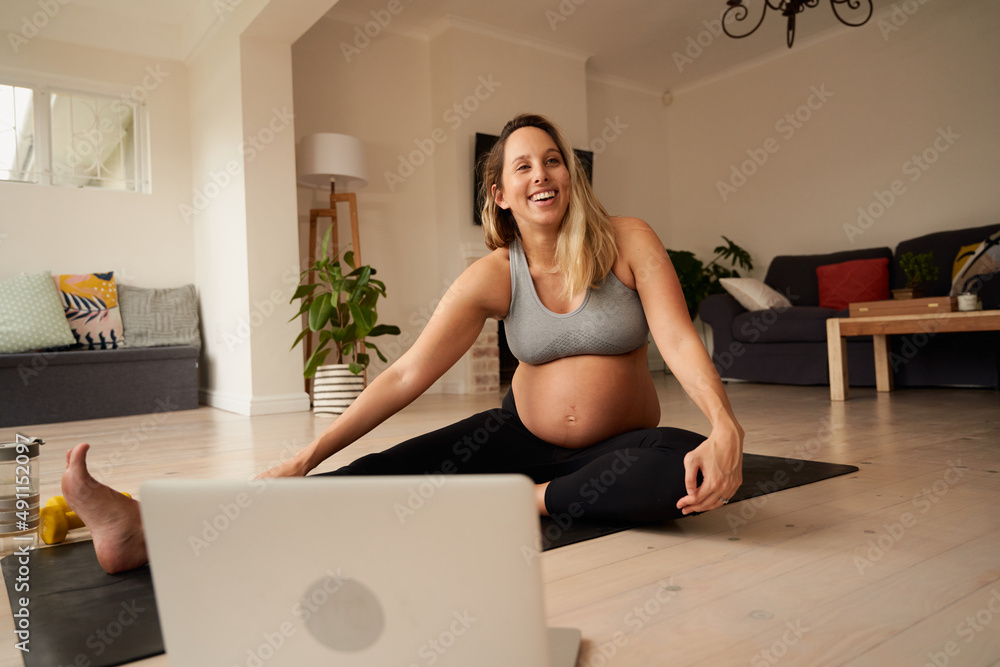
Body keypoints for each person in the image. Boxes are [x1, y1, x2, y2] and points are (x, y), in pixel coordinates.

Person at [61, 113, 744, 574]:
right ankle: (152, 530)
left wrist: (724, 424)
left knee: (681, 466)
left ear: (571, 175)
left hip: (618, 447)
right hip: (514, 438)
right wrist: (306, 455)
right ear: (501, 192)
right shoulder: (491, 276)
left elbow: (679, 340)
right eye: (523, 166)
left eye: (553, 161)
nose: (542, 174)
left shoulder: (628, 240)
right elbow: (407, 372)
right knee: (371, 478)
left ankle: (526, 500)